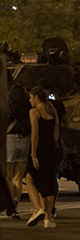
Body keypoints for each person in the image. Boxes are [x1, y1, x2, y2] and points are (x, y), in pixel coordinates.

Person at [23, 86, 61, 228]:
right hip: (51, 149)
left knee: (29, 178)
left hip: (39, 149)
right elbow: (56, 133)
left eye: (31, 97)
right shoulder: (52, 112)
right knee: (50, 184)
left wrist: (33, 154)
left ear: (36, 97)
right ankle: (48, 219)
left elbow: (35, 135)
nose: (30, 100)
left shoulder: (34, 112)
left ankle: (38, 208)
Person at [5, 83, 30, 219]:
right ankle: (15, 206)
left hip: (10, 140)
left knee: (8, 176)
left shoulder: (9, 107)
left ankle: (10, 204)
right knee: (18, 178)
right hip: (25, 140)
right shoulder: (27, 108)